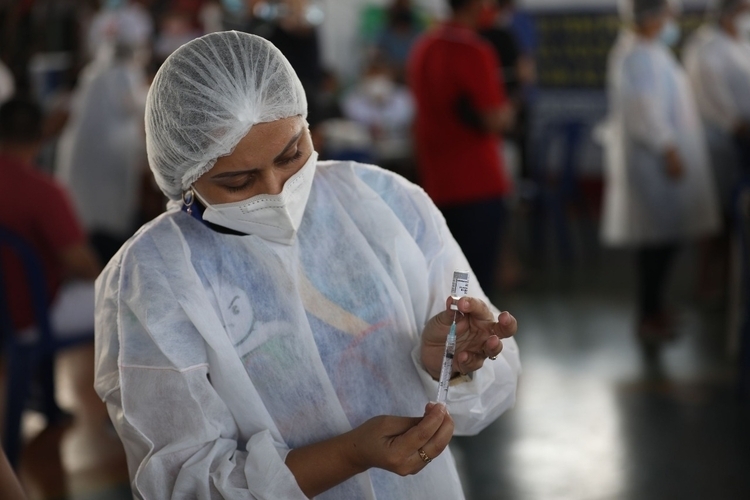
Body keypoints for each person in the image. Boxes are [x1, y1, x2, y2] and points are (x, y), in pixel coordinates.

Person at [94, 31, 521, 498]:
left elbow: (483, 397)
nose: (276, 191)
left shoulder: (383, 203)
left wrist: (451, 364)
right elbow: (182, 483)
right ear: (182, 176)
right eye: (238, 181)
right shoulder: (153, 275)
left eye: (291, 155)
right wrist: (348, 455)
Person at [600, 0, 721, 341]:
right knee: (654, 245)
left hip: (660, 161)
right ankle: (648, 316)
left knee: (664, 240)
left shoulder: (650, 51)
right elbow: (645, 110)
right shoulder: (637, 55)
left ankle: (656, 308)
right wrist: (668, 147)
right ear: (651, 16)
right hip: (653, 163)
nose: (672, 21)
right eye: (668, 13)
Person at [407, 0, 514, 299]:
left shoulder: (423, 48)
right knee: (477, 294)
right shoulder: (474, 50)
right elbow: (494, 118)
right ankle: (473, 348)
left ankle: (450, 347)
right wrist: (509, 111)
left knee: (448, 289)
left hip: (437, 183)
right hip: (478, 183)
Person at [0, 98, 101, 340]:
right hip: (28, 318)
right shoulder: (43, 192)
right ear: (42, 134)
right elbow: (83, 266)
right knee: (121, 297)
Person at [55, 40, 148, 264]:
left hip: (82, 150)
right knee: (110, 218)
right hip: (114, 153)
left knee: (84, 207)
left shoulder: (92, 73)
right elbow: (135, 105)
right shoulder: (125, 75)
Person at [683, 0, 750, 209]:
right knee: (722, 205)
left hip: (742, 136)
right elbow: (709, 97)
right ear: (727, 12)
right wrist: (737, 124)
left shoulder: (741, 43)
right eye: (744, 9)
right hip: (721, 138)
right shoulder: (706, 46)